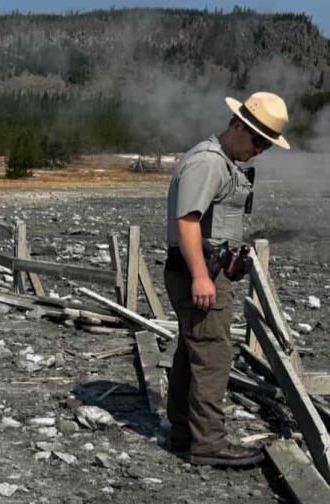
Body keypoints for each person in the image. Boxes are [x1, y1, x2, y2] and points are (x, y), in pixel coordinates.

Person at [164, 92, 289, 467]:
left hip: (205, 268)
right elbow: (187, 221)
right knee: (214, 354)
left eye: (266, 144)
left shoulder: (222, 161)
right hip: (199, 270)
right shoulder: (209, 162)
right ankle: (209, 445)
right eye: (258, 140)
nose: (260, 149)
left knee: (194, 350)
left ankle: (184, 432)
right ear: (238, 126)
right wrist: (202, 276)